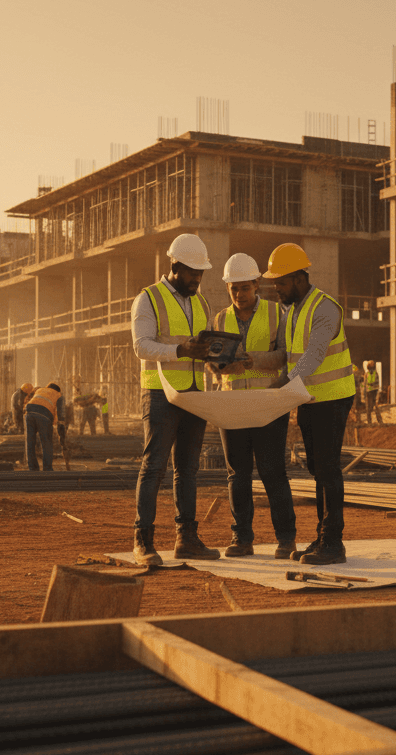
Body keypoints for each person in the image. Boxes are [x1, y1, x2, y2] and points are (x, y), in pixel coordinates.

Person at [263, 242, 356, 566]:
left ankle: (333, 543)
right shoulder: (293, 311)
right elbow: (291, 357)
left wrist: (284, 383)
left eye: (281, 282)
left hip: (333, 398)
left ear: (300, 279)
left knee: (327, 469)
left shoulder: (324, 308)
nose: (276, 288)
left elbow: (314, 355)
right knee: (318, 469)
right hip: (310, 398)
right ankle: (322, 537)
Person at [130, 233, 220, 565]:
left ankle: (187, 539)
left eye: (201, 273)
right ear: (175, 266)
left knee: (188, 469)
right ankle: (143, 540)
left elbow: (200, 346)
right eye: (192, 273)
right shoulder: (148, 298)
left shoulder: (201, 302)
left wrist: (215, 356)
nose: (197, 279)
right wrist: (180, 350)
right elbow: (141, 346)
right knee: (154, 466)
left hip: (194, 393)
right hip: (160, 393)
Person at [208, 252, 297, 559]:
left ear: (257, 284)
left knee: (273, 472)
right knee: (237, 475)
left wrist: (250, 361)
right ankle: (241, 538)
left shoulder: (276, 313)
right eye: (233, 288)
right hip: (232, 405)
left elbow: (284, 356)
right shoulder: (220, 319)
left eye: (244, 288)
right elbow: (213, 364)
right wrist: (219, 366)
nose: (239, 294)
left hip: (267, 403)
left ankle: (286, 539)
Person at [24, 382, 64, 471]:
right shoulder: (59, 395)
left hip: (29, 413)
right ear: (58, 390)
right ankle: (47, 468)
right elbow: (61, 414)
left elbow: (29, 400)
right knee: (46, 442)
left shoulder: (40, 390)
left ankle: (33, 468)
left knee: (30, 442)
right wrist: (60, 429)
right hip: (44, 415)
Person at [362, 360, 381, 425]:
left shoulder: (368, 374)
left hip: (371, 392)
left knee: (371, 407)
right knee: (373, 407)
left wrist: (364, 394)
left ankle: (372, 422)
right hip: (372, 392)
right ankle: (376, 421)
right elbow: (377, 383)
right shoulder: (374, 373)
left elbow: (365, 384)